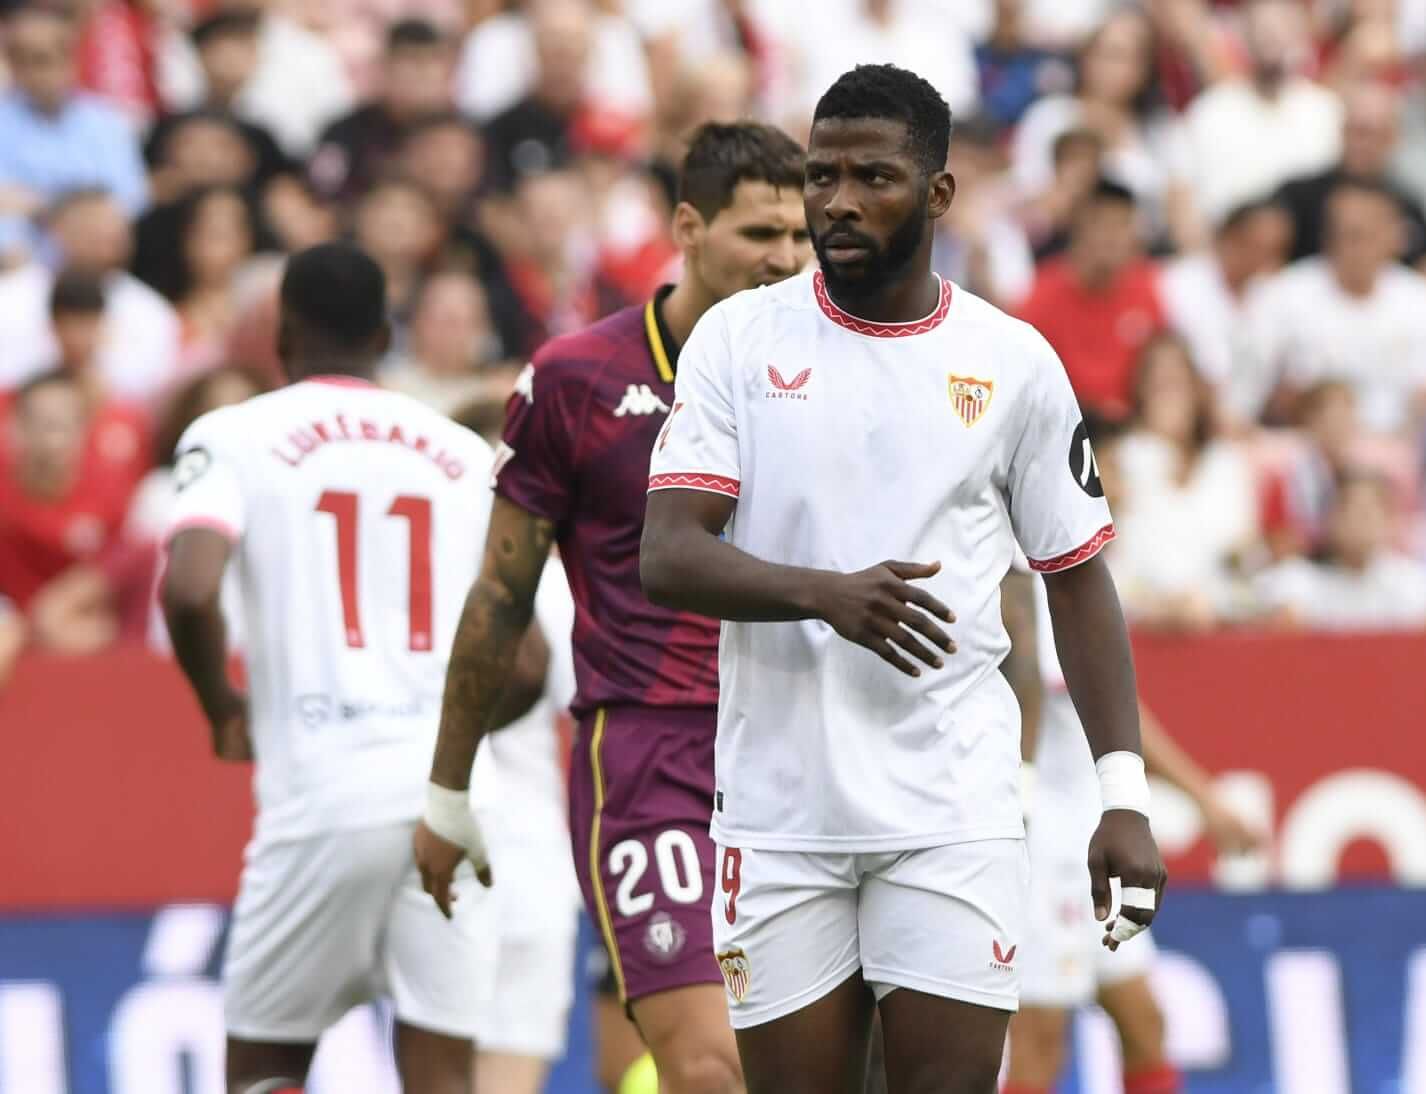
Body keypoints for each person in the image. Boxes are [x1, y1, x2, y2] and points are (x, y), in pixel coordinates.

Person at [639, 63, 1166, 1094]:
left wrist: (1122, 796)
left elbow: (1075, 578)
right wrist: (826, 593)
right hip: (778, 813)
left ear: (937, 193)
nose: (837, 200)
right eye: (821, 175)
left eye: (872, 177)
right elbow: (668, 552)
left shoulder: (1012, 360)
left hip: (952, 807)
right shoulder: (737, 339)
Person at [412, 121, 810, 1094]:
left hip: (804, 749)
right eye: (760, 233)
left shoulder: (835, 372)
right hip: (650, 756)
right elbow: (501, 595)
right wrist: (448, 790)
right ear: (688, 226)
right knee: (709, 1067)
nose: (785, 258)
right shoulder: (575, 380)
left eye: (800, 236)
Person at [160, 242, 547, 1094]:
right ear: (382, 335)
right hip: (452, 800)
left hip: (323, 791)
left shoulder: (233, 435)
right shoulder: (460, 452)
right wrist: (451, 736)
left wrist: (221, 705)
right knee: (443, 1075)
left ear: (282, 334)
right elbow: (528, 665)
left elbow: (189, 590)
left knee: (265, 1064)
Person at [1004, 496, 1263, 1094]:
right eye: (1108, 468)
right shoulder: (1029, 581)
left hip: (1085, 837)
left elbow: (1117, 714)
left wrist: (1205, 801)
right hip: (1041, 845)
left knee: (1145, 1024)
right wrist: (1206, 800)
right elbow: (1081, 707)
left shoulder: (1083, 570)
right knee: (1040, 1041)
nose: (1117, 484)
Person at [0, 3, 148, 263]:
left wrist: (43, 205)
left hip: (96, 261)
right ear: (12, 65)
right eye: (24, 60)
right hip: (18, 266)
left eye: (46, 59)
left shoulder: (107, 122)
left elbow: (132, 200)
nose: (37, 73)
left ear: (72, 59)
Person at [1017, 178, 1167, 420]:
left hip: (1132, 425)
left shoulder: (1146, 288)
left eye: (1123, 225)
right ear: (1079, 227)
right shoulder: (1041, 297)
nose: (1113, 238)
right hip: (1064, 424)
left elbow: (1161, 369)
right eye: (1103, 224)